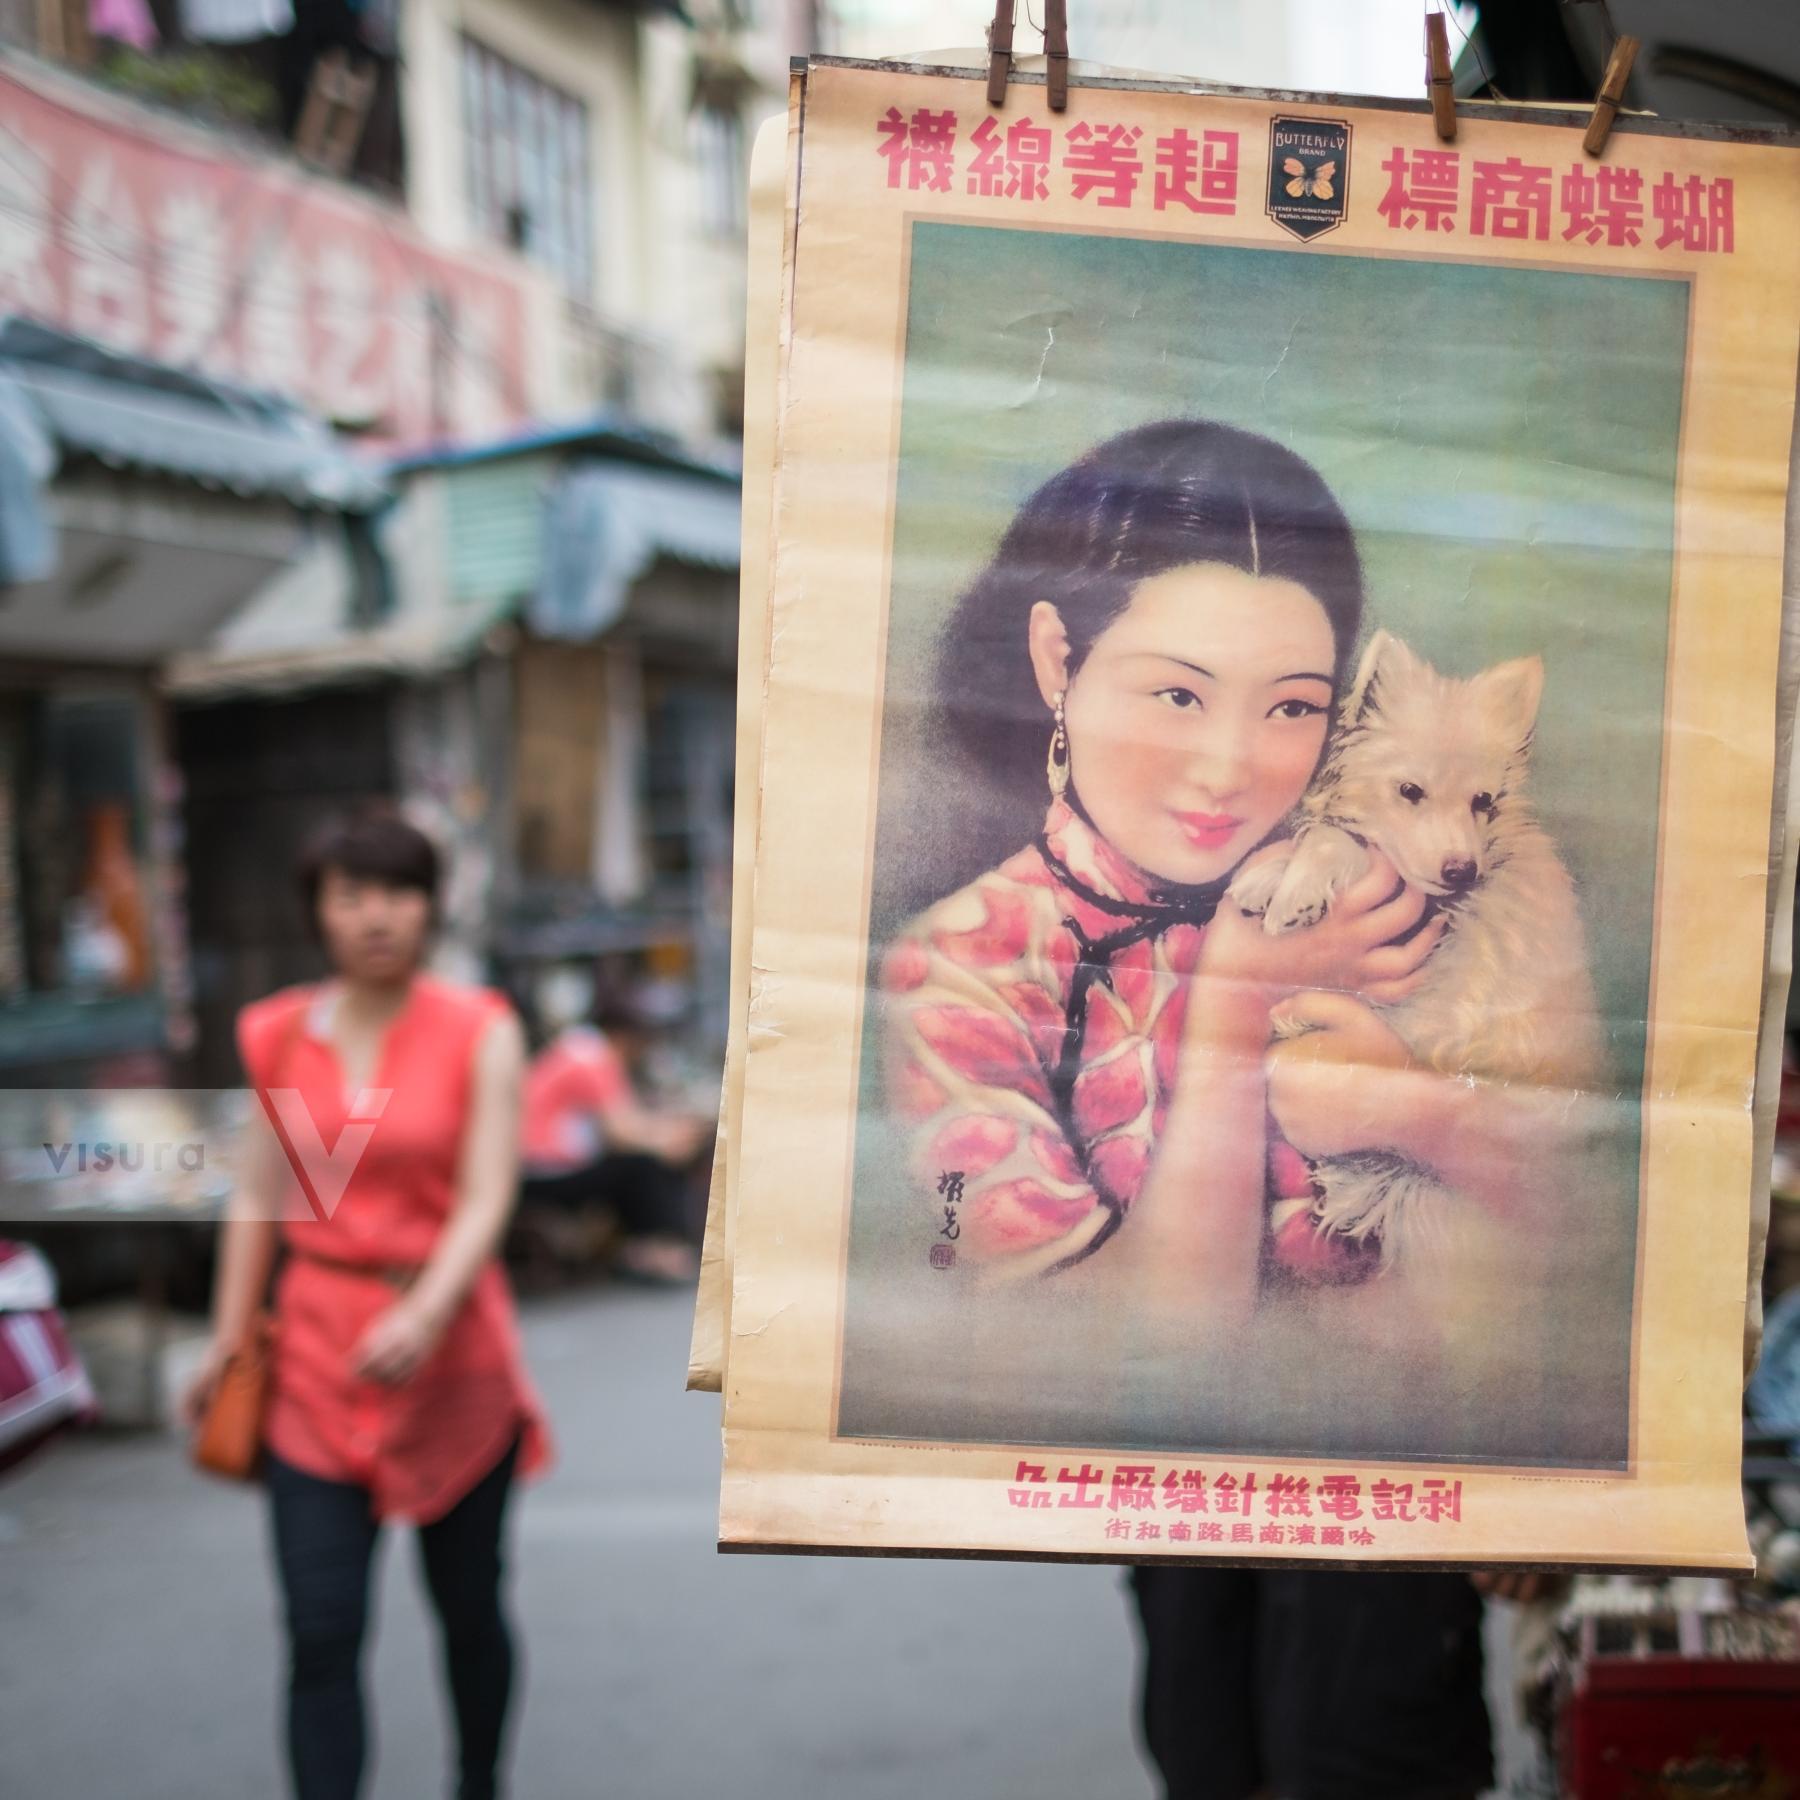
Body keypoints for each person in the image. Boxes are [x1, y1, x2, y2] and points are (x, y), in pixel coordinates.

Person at [877, 419, 1545, 1798]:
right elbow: (1145, 1344)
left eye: (1292, 706)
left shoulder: (1419, 884)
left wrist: (1550, 1470)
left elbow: (1569, 1210)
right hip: (1179, 1508)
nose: (1229, 764)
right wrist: (1236, 1004)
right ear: (1057, 663)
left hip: (1396, 1501)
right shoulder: (969, 964)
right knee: (1211, 1752)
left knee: (1363, 1757)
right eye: (1177, 694)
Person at [181, 806, 553, 1800]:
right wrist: (227, 1340)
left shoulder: (482, 1029)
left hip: (455, 1360)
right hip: (312, 1359)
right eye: (352, 895)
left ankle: (479, 1782)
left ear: (430, 906)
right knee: (321, 1628)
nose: (377, 915)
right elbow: (258, 1193)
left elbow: (487, 1194)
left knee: (468, 1611)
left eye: (399, 891)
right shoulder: (275, 1034)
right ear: (320, 912)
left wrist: (427, 1311)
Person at [518, 966, 711, 1283]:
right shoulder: (591, 1056)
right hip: (544, 1170)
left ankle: (649, 1246)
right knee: (642, 1166)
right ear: (626, 1036)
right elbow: (623, 1131)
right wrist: (671, 1138)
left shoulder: (579, 1048)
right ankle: (655, 1249)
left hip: (540, 1166)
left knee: (641, 1162)